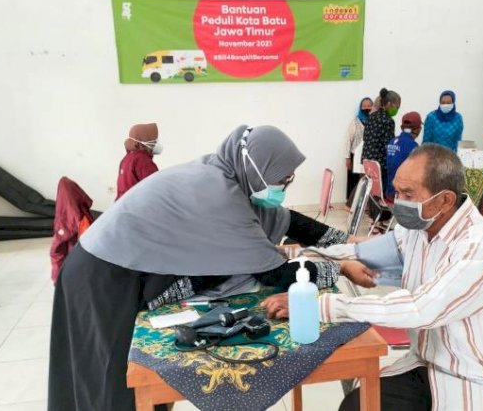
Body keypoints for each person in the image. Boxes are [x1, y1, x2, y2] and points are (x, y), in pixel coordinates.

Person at [48, 125, 375, 411]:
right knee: (111, 374)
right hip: (104, 274)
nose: (283, 186)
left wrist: (346, 240)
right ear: (257, 169)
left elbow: (290, 220)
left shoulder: (229, 174)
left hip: (124, 265)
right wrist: (342, 268)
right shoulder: (220, 195)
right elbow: (273, 273)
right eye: (280, 179)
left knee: (119, 375)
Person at [262, 144, 483, 410]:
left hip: (481, 376)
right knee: (357, 406)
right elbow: (360, 252)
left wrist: (323, 306)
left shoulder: (481, 246)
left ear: (445, 200)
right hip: (430, 364)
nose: (398, 203)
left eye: (408, 194)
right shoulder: (419, 231)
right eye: (396, 192)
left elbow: (421, 308)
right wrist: (294, 255)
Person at [362, 88, 401, 182]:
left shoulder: (371, 117)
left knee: (371, 193)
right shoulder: (388, 121)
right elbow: (388, 146)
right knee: (381, 193)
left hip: (367, 163)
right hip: (380, 166)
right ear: (388, 104)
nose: (397, 110)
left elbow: (365, 138)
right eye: (397, 107)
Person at [116, 122, 162, 200]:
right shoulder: (143, 160)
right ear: (143, 140)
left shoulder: (128, 157)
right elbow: (155, 187)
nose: (156, 143)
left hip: (123, 204)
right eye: (154, 140)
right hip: (137, 206)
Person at [384, 112, 422, 200]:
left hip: (389, 191)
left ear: (402, 127)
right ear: (417, 129)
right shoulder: (413, 146)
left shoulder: (392, 141)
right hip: (401, 195)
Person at [345, 97, 374, 203]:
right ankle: (351, 203)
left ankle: (365, 203)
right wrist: (347, 157)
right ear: (360, 107)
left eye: (369, 105)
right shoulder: (355, 122)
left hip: (369, 156)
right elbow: (348, 139)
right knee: (355, 181)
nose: (366, 108)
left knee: (367, 181)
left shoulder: (375, 121)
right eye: (364, 106)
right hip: (355, 155)